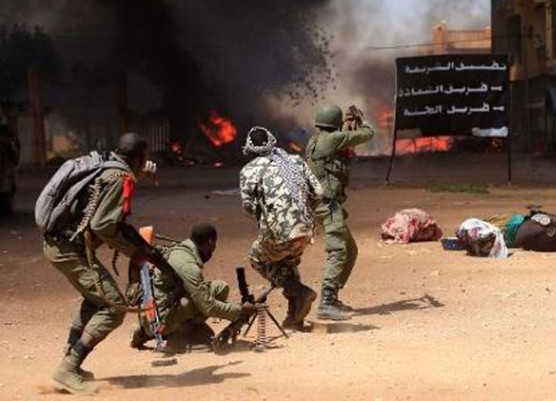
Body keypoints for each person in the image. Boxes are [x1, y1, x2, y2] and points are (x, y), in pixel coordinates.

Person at [42, 133, 169, 395]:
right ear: (136, 157)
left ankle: (70, 362)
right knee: (113, 308)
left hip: (60, 245)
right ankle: (67, 369)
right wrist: (138, 252)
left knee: (94, 300)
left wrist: (137, 172)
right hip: (68, 249)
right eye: (144, 158)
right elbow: (104, 225)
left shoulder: (107, 163)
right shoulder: (121, 177)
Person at [240, 126, 323, 330]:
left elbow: (248, 207)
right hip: (306, 230)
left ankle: (299, 291)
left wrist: (268, 216)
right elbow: (319, 192)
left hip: (278, 232)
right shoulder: (295, 161)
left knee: (257, 258)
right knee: (287, 263)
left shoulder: (249, 170)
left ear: (251, 149)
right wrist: (301, 211)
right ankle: (295, 317)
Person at [130, 224, 254, 350]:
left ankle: (146, 331)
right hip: (160, 320)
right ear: (210, 242)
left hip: (153, 311)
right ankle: (179, 336)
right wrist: (241, 311)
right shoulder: (188, 266)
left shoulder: (180, 250)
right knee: (189, 303)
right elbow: (208, 307)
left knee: (220, 288)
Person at [305, 104, 374, 320]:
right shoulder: (333, 139)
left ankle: (332, 297)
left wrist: (347, 127)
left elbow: (343, 141)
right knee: (339, 251)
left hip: (323, 204)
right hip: (328, 205)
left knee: (350, 250)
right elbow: (367, 134)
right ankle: (326, 302)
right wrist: (361, 122)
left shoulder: (316, 140)